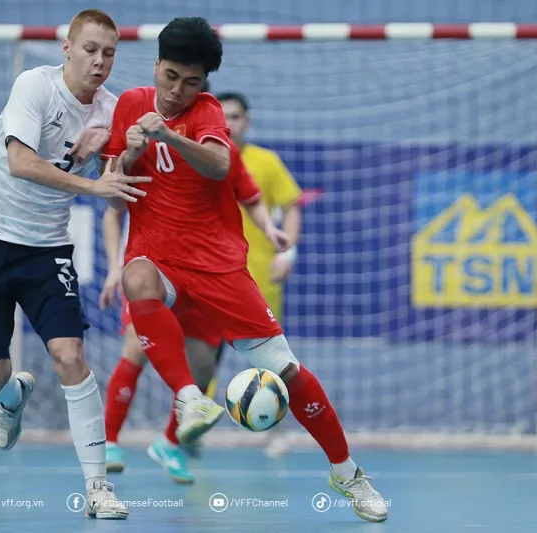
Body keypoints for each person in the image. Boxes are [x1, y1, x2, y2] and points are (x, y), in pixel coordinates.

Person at [99, 16, 388, 522]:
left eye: (191, 82)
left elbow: (217, 164)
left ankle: (347, 473)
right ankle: (185, 401)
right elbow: (111, 180)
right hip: (158, 259)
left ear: (204, 84)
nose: (177, 90)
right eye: (170, 77)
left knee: (289, 372)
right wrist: (129, 153)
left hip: (218, 269)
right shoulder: (128, 105)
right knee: (135, 279)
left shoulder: (208, 113)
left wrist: (167, 135)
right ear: (155, 66)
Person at [0, 9, 149, 520]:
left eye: (109, 53)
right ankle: (14, 394)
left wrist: (125, 147)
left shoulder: (110, 109)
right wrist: (92, 184)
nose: (99, 61)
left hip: (47, 249)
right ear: (67, 48)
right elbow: (21, 162)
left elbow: (129, 161)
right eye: (90, 50)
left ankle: (98, 487)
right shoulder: (34, 87)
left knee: (70, 354)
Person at [98, 139, 280, 484]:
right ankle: (109, 442)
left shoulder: (223, 165)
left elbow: (251, 198)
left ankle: (169, 443)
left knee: (202, 365)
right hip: (152, 271)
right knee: (137, 348)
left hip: (203, 274)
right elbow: (113, 210)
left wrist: (270, 231)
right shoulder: (150, 154)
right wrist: (112, 268)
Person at [211, 91, 304, 457]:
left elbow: (292, 205)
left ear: (246, 120)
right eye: (223, 117)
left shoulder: (266, 162)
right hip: (211, 277)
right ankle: (189, 430)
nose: (229, 123)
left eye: (235, 116)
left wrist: (289, 252)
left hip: (260, 277)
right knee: (203, 358)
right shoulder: (203, 159)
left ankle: (274, 431)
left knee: (274, 362)